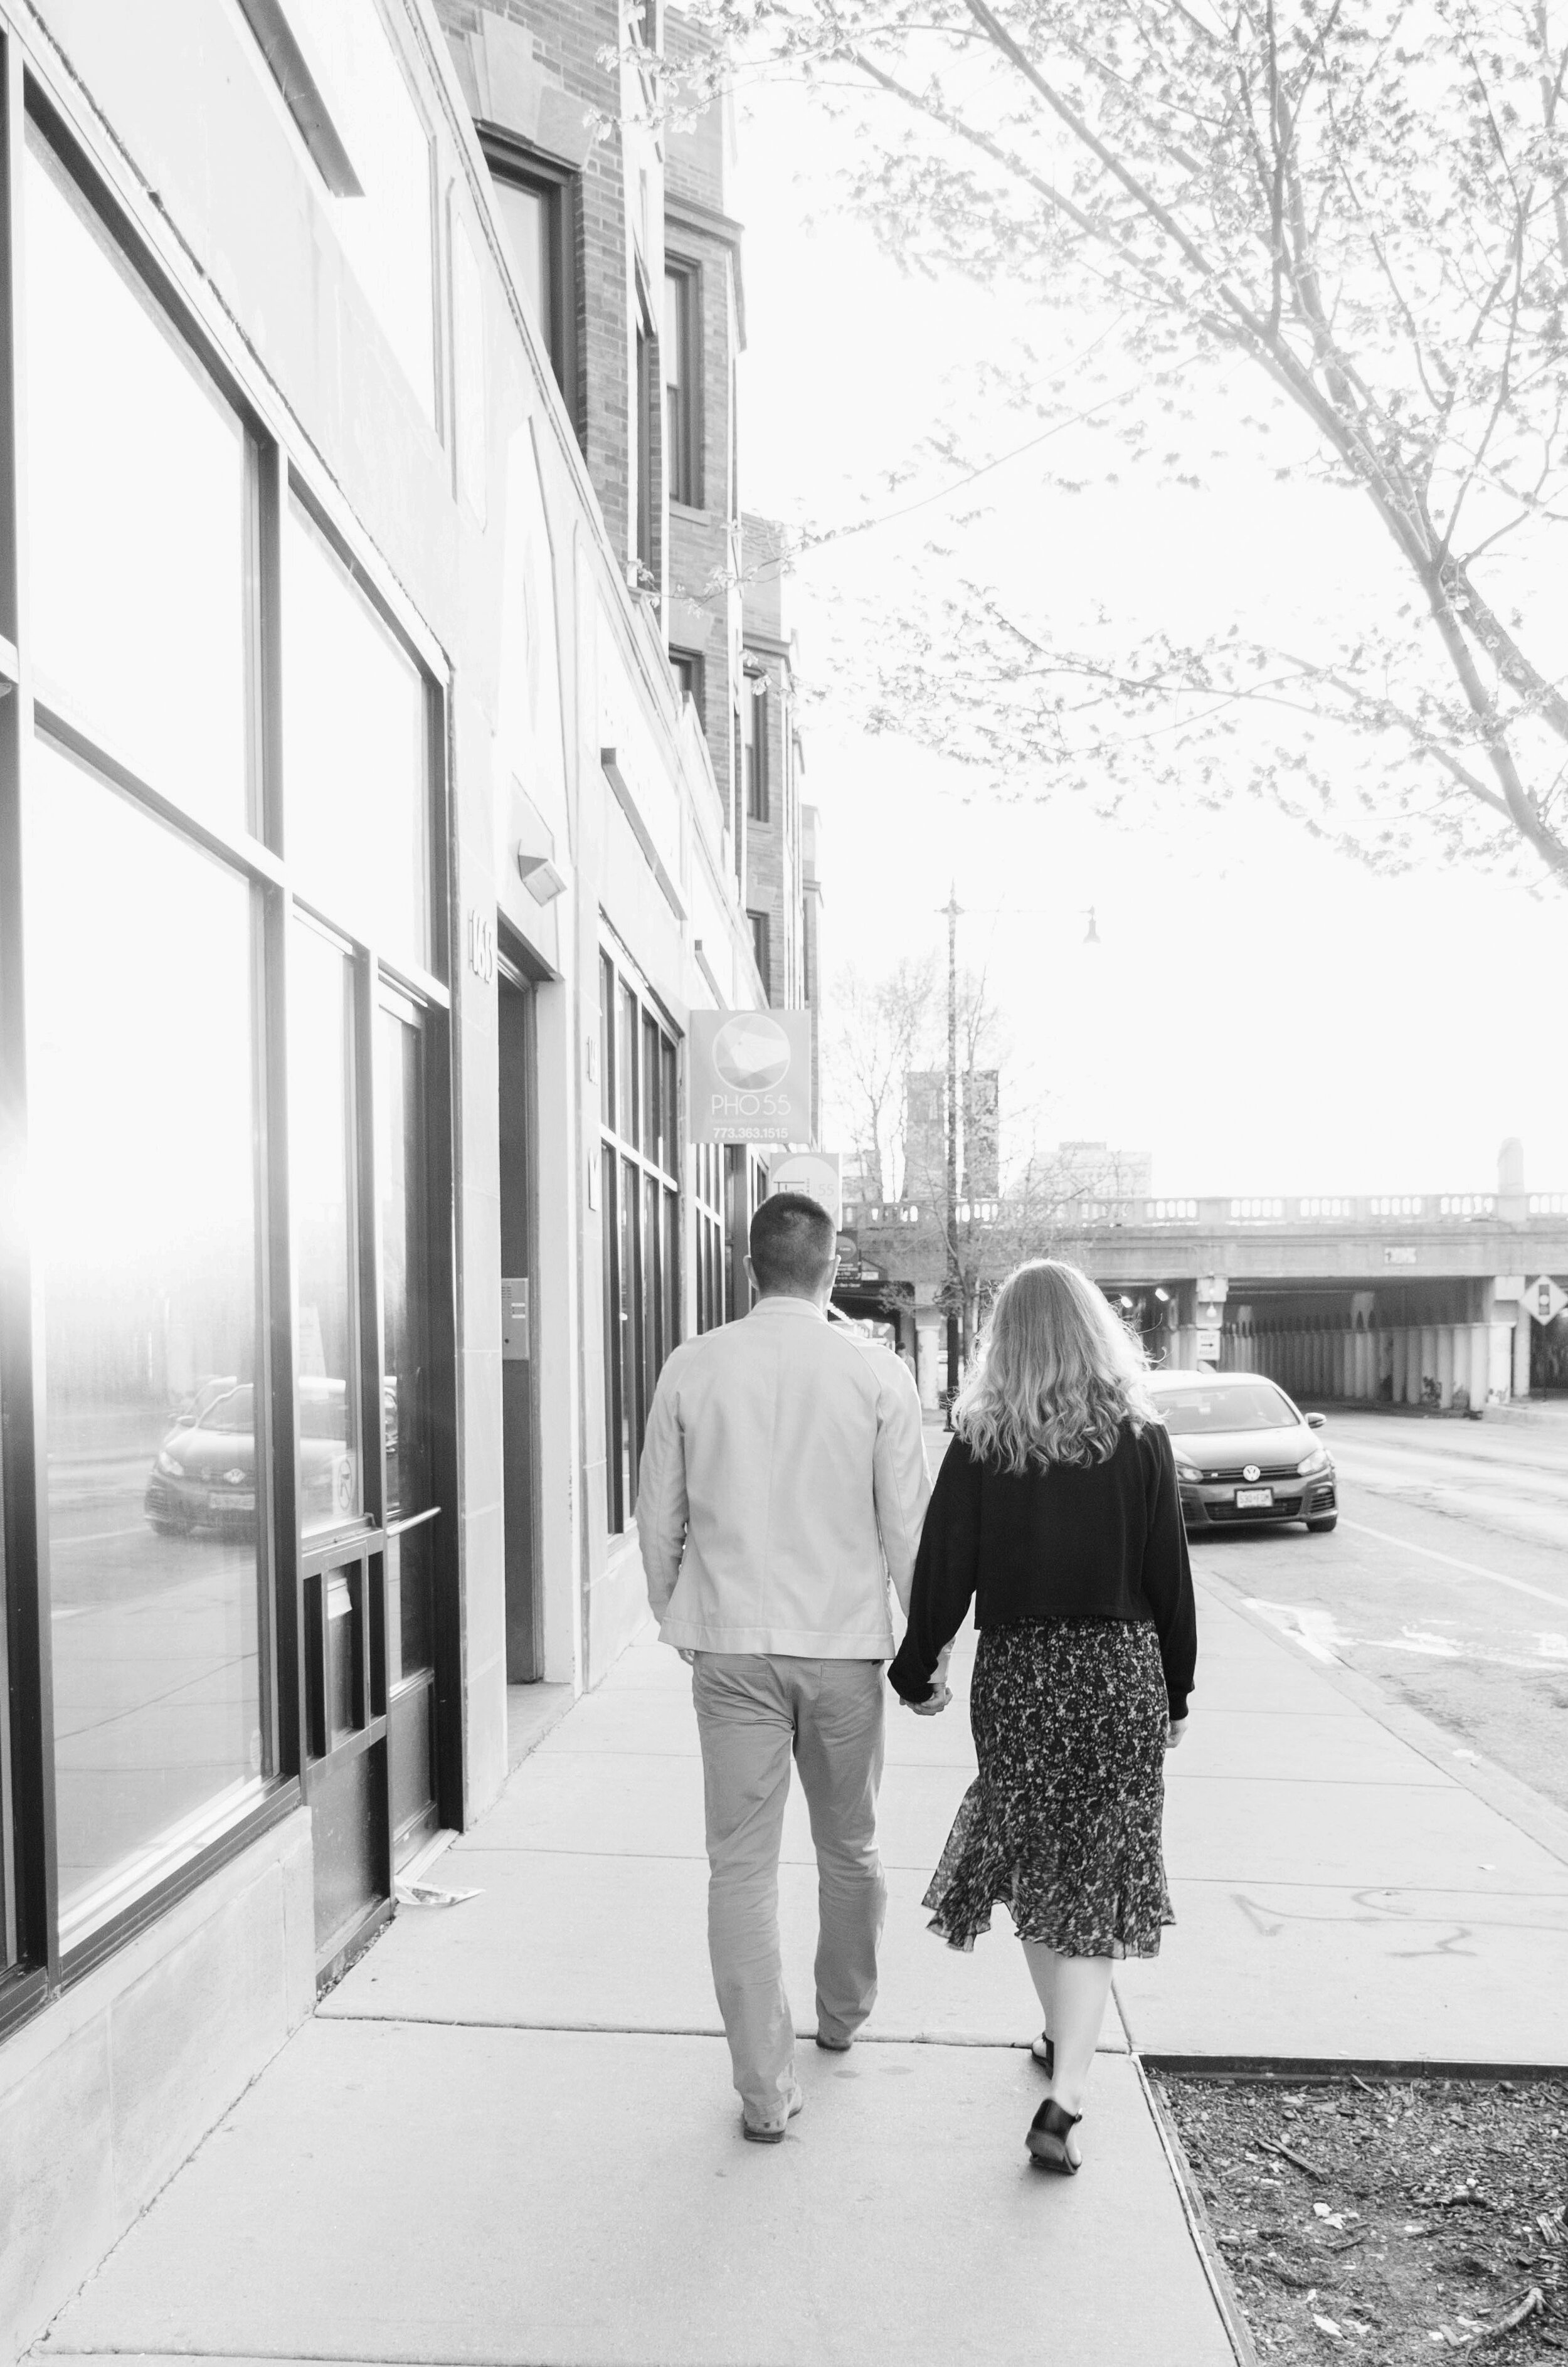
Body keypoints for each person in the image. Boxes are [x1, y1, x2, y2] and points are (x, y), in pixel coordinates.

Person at [887, 1258, 1195, 2174]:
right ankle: (1064, 2095)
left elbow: (944, 1565)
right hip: (1115, 1674)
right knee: (1094, 1876)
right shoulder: (1141, 1436)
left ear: (1003, 1341)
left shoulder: (984, 1438)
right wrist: (1176, 1691)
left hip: (1022, 1675)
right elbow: (1168, 1578)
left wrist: (917, 1668)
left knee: (1035, 1856)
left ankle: (1065, 2046)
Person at [636, 1192, 930, 2142]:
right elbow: (906, 1527)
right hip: (841, 1646)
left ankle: (764, 2091)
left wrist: (678, 1610)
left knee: (740, 1868)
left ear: (748, 1264)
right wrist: (924, 1649)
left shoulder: (693, 1364)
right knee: (851, 1844)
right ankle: (842, 2015)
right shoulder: (877, 1374)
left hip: (729, 1647)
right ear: (831, 1268)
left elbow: (659, 1514)